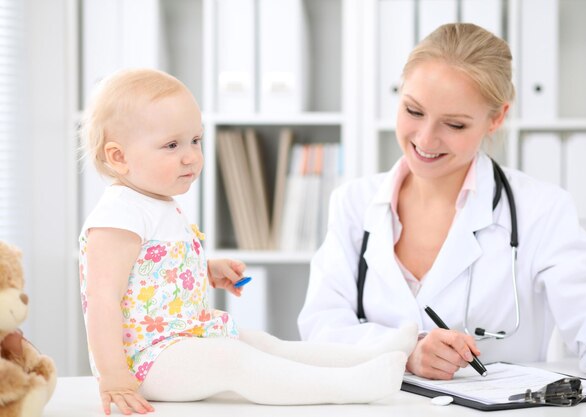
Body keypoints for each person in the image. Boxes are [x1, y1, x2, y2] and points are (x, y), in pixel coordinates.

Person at [298, 23, 586, 390]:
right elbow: (322, 325)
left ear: (496, 118)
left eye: (454, 124)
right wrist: (407, 350)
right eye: (413, 110)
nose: (425, 139)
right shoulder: (353, 203)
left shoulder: (541, 209)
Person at [78, 68, 417, 415]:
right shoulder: (118, 216)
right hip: (144, 360)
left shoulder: (157, 202)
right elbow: (102, 298)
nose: (191, 156)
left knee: (260, 343)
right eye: (171, 145)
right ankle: (348, 387)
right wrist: (114, 375)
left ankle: (371, 355)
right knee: (233, 359)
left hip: (180, 339)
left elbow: (150, 271)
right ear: (118, 157)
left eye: (196, 140)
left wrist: (206, 270)